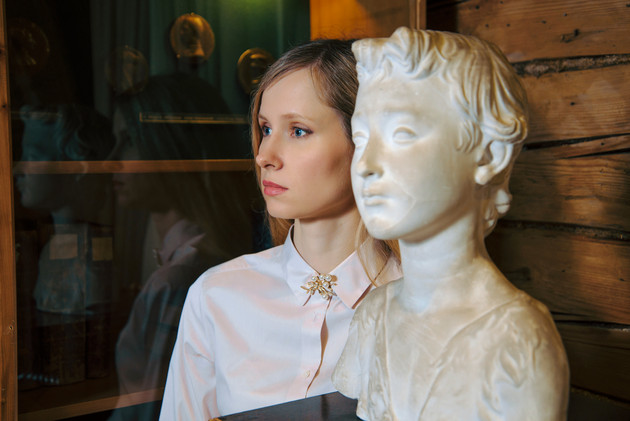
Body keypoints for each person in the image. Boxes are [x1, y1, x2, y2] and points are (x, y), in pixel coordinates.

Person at [332, 27, 569, 420]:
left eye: (402, 134)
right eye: (361, 138)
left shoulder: (518, 341)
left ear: (488, 155)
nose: (366, 165)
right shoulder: (373, 317)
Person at [159, 39, 401, 419]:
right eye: (266, 128)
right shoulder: (215, 297)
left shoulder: (425, 306)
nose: (264, 156)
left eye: (298, 131)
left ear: (366, 143)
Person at [109, 73, 258, 420]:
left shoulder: (179, 281)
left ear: (170, 146)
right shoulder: (188, 266)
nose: (112, 158)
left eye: (129, 140)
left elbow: (153, 410)